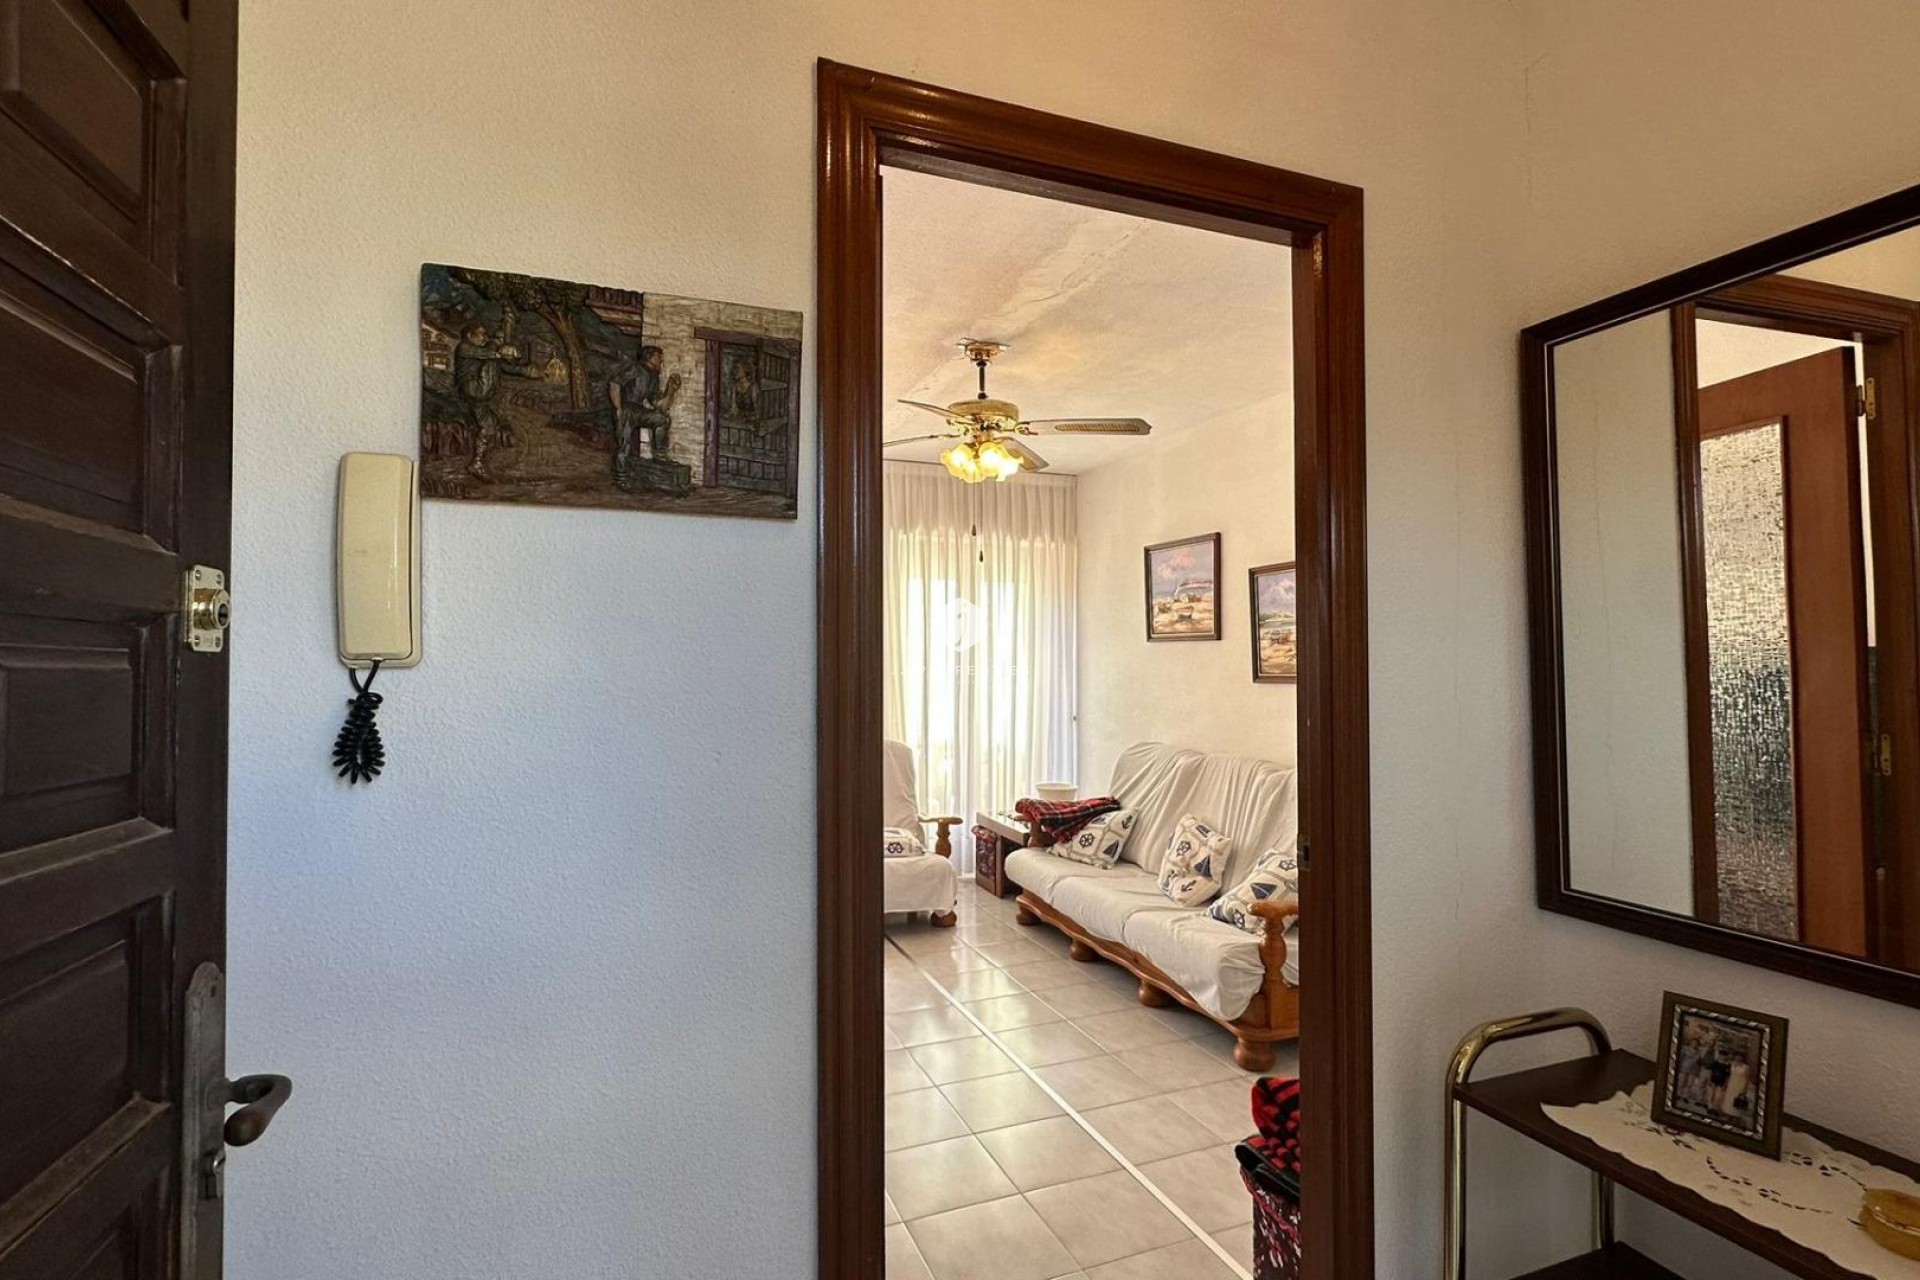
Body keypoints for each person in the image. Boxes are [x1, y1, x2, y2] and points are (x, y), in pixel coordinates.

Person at [453, 323, 522, 481]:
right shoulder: (464, 347)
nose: (485, 337)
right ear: (469, 335)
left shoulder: (478, 351)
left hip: (479, 397)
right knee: (491, 361)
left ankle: (477, 463)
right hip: (473, 389)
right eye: (481, 334)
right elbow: (487, 353)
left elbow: (499, 361)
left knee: (489, 426)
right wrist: (500, 346)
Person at [608, 345, 682, 481]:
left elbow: (659, 406)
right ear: (648, 357)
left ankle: (660, 456)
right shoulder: (635, 369)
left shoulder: (653, 376)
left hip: (638, 410)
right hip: (627, 409)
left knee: (661, 419)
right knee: (624, 443)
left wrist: (671, 390)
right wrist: (618, 409)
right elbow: (614, 383)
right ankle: (621, 475)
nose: (661, 360)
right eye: (658, 356)